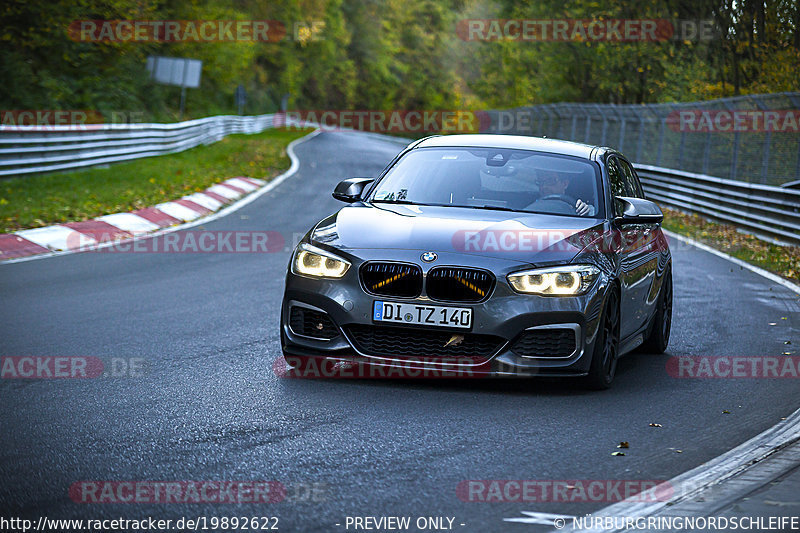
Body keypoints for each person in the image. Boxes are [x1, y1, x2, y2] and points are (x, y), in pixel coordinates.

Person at [527, 169, 595, 216]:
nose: (544, 186)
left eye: (551, 181)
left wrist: (586, 210)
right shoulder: (528, 202)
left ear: (565, 184)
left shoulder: (576, 206)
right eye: (541, 182)